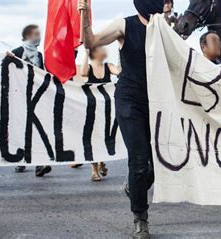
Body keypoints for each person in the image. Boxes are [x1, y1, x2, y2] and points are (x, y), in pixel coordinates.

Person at [78, 0, 162, 237]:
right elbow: (91, 42)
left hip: (156, 102)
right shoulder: (125, 26)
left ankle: (134, 188)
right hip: (130, 101)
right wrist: (84, 15)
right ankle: (140, 218)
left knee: (157, 164)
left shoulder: (164, 28)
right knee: (138, 161)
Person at [6, 24, 52, 177]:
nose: (38, 37)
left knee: (37, 128)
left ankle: (39, 164)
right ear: (27, 36)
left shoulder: (39, 55)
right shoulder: (17, 52)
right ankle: (21, 160)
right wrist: (8, 56)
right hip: (19, 95)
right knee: (22, 127)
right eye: (35, 34)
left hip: (36, 96)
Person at [80, 47, 121, 182]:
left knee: (104, 136)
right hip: (92, 108)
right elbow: (83, 72)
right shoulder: (89, 68)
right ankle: (94, 170)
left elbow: (119, 72)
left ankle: (101, 161)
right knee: (93, 138)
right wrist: (86, 53)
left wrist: (123, 54)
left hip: (106, 108)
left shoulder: (108, 66)